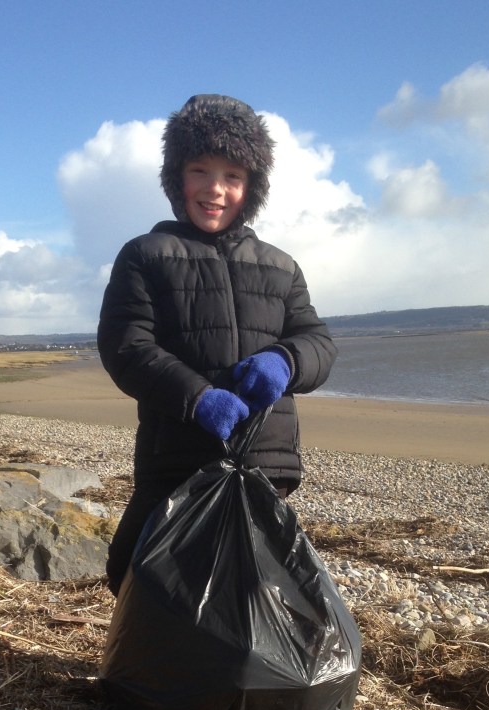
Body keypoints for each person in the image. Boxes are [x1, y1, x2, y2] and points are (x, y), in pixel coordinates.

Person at [98, 94, 337, 595]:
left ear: (251, 187)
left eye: (232, 176)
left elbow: (318, 342)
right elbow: (127, 346)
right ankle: (153, 674)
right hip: (175, 456)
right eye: (200, 171)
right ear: (176, 178)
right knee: (138, 576)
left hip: (265, 461)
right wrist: (198, 398)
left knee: (252, 591)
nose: (215, 189)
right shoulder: (145, 255)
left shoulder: (280, 265)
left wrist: (285, 360)